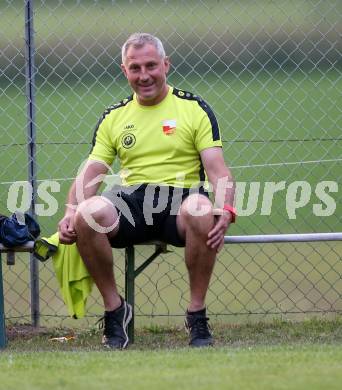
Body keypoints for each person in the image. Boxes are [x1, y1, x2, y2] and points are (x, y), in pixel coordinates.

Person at [58, 33, 236, 349]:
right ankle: (116, 311)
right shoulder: (114, 116)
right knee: (89, 213)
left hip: (182, 199)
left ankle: (196, 314)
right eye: (135, 68)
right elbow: (92, 173)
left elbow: (218, 171)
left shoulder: (194, 109)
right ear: (124, 71)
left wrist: (226, 209)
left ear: (166, 65)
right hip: (133, 202)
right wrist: (71, 211)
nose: (144, 75)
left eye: (151, 65)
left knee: (201, 209)